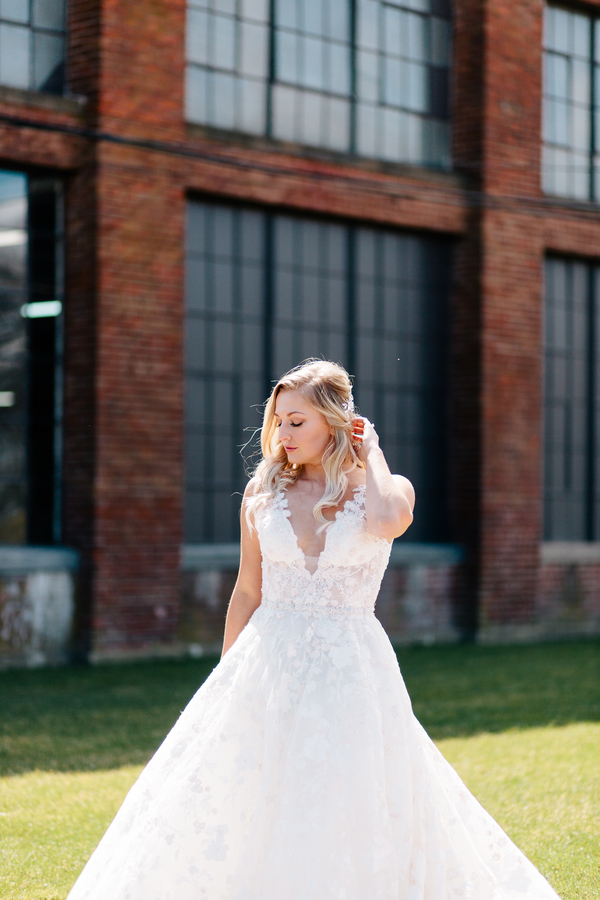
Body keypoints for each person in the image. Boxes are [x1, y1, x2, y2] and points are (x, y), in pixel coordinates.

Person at [67, 359, 561, 900]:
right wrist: (227, 675)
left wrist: (370, 450)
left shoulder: (387, 488)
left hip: (351, 664)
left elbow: (389, 522)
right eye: (278, 421)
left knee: (342, 788)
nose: (283, 434)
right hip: (265, 660)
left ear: (335, 421)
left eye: (297, 421)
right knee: (247, 788)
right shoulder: (261, 497)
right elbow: (248, 591)